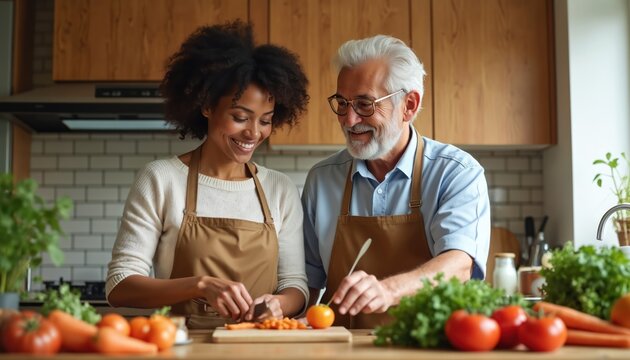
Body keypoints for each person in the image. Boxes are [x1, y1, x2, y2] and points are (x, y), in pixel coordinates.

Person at [106, 21, 310, 329]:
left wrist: (278, 304)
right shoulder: (161, 179)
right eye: (240, 117)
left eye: (265, 120)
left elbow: (296, 285)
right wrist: (199, 285)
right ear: (206, 107)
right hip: (181, 346)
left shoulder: (279, 188)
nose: (253, 133)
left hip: (261, 348)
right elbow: (119, 285)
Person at [302, 35, 491, 328]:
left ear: (409, 106)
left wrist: (387, 290)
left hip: (429, 347)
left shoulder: (456, 172)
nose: (349, 120)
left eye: (365, 104)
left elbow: (459, 264)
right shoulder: (322, 179)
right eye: (342, 103)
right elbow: (308, 282)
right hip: (341, 349)